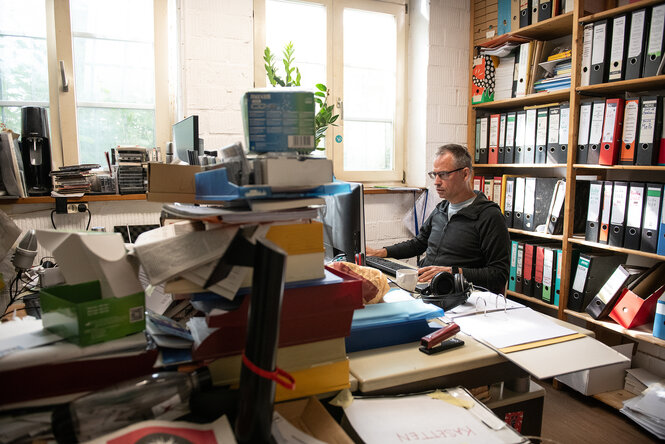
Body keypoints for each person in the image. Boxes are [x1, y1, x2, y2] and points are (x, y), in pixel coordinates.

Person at [366, 144, 510, 294]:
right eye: (435, 175)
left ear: (465, 174)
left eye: (444, 174)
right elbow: (419, 243)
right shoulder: (442, 208)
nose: (436, 181)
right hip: (427, 287)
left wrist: (453, 272)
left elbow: (498, 274)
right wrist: (381, 253)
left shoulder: (489, 216)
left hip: (458, 295)